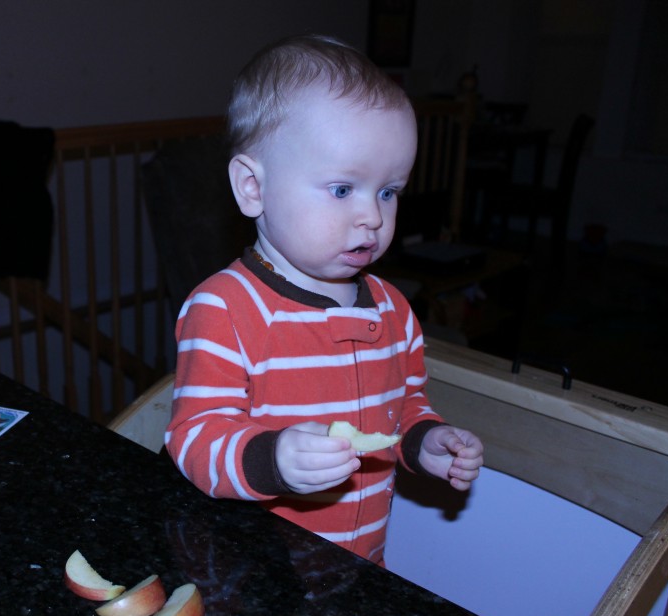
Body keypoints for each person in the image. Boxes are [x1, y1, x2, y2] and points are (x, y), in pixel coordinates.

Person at [164, 34, 484, 566]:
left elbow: (403, 407)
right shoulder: (224, 310)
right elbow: (194, 441)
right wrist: (273, 461)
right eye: (342, 189)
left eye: (388, 191)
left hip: (364, 565)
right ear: (252, 188)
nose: (373, 218)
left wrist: (422, 441)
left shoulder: (393, 309)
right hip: (257, 582)